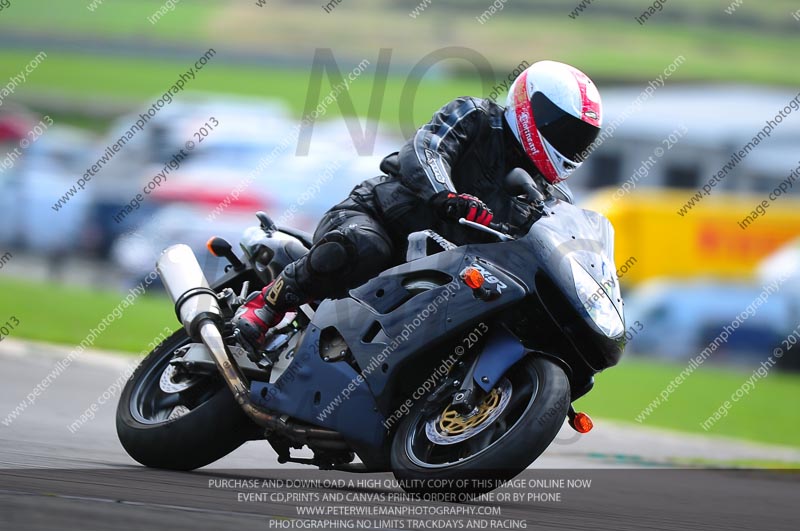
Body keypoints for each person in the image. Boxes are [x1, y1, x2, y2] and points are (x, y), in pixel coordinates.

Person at [233, 60, 603, 351]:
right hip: (378, 219)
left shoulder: (544, 198)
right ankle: (266, 306)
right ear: (530, 107)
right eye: (566, 131)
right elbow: (426, 148)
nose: (571, 145)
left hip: (439, 276)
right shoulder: (475, 116)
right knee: (365, 246)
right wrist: (446, 193)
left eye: (582, 139)